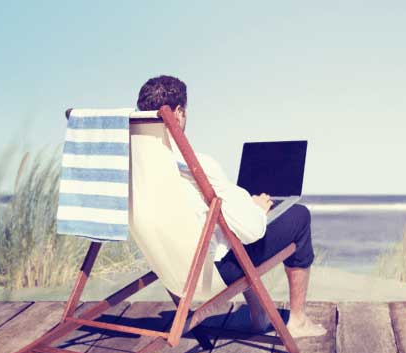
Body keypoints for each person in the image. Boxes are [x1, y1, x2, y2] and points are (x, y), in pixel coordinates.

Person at [136, 75, 326, 338]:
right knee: (298, 216)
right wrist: (257, 209)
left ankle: (259, 314)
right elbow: (251, 231)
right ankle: (298, 321)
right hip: (211, 276)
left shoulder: (138, 174)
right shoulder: (197, 166)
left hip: (170, 269)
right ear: (178, 113)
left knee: (229, 224)